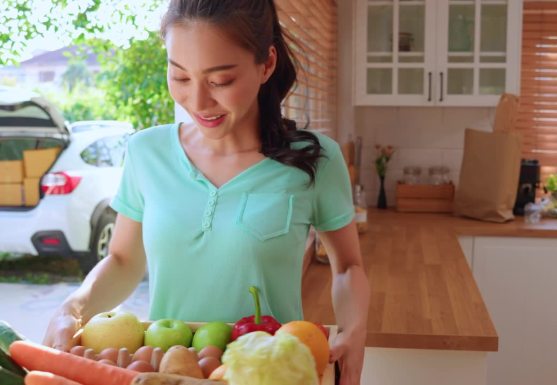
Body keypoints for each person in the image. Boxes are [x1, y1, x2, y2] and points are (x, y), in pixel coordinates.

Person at [42, 1, 370, 384]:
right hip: (167, 372)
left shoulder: (315, 159)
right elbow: (122, 259)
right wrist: (73, 306)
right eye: (180, 77)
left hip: (270, 373)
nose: (197, 102)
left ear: (266, 64)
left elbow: (347, 267)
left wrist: (355, 330)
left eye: (220, 81)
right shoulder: (147, 152)